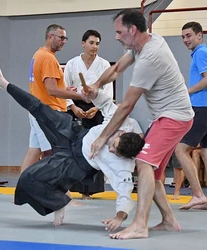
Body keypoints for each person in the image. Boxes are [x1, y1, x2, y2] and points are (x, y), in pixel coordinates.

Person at [0, 57, 145, 231]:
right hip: (73, 134)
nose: (109, 149)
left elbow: (125, 194)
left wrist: (119, 218)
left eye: (114, 152)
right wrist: (92, 93)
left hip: (74, 163)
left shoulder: (124, 165)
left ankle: (58, 202)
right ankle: (2, 82)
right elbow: (104, 102)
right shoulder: (121, 122)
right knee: (39, 108)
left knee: (29, 179)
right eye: (113, 144)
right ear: (122, 133)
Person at [84, 9, 194, 239]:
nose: (116, 36)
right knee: (151, 173)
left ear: (132, 30)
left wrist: (102, 137)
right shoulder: (141, 44)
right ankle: (168, 220)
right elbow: (116, 69)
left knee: (143, 162)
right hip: (167, 116)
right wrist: (95, 85)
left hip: (174, 116)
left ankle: (140, 225)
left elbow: (126, 106)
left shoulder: (150, 57)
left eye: (119, 32)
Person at [21, 24, 82, 173]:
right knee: (56, 154)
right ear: (50, 37)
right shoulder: (48, 59)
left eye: (65, 38)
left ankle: (20, 194)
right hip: (47, 112)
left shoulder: (38, 55)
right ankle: (62, 195)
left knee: (34, 152)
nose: (64, 41)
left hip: (38, 111)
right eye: (61, 38)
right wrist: (79, 96)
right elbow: (51, 89)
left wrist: (64, 89)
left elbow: (46, 86)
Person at [64, 29, 114, 199]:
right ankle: (73, 187)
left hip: (96, 107)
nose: (95, 47)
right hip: (76, 107)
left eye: (97, 43)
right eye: (91, 43)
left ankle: (91, 189)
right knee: (76, 147)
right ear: (83, 44)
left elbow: (108, 91)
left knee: (95, 147)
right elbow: (65, 89)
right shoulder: (72, 64)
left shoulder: (104, 65)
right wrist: (72, 107)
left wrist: (97, 108)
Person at [175, 21, 207, 210]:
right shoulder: (201, 53)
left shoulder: (201, 52)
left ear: (199, 36)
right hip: (204, 107)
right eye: (183, 37)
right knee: (204, 151)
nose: (185, 40)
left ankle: (197, 194)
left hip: (201, 108)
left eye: (189, 36)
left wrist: (186, 92)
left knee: (180, 149)